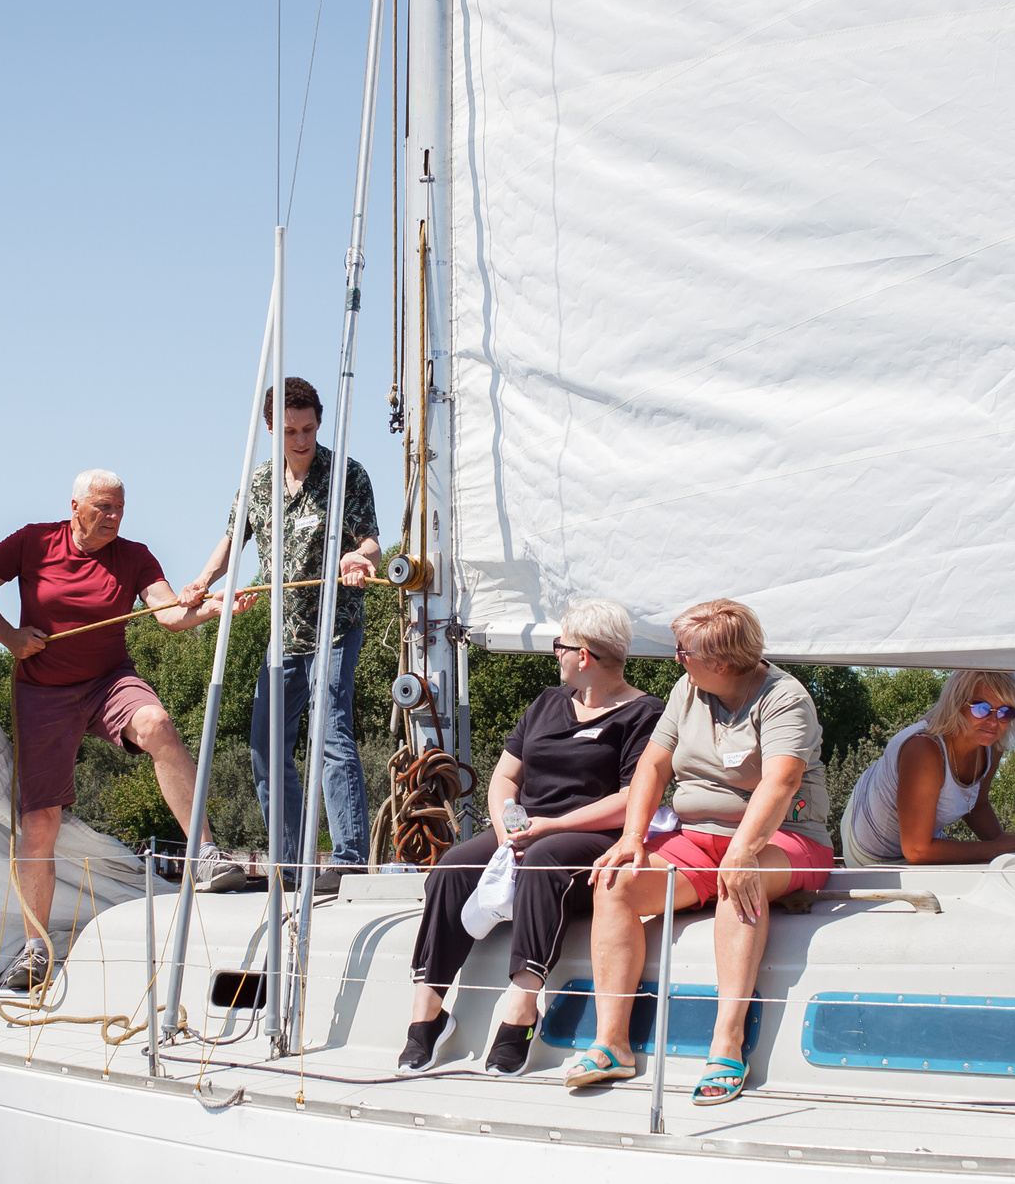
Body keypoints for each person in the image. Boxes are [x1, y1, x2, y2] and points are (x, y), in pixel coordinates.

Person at [0, 468, 248, 988]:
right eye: (103, 508)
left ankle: (204, 855)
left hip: (110, 682)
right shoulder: (31, 542)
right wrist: (9, 637)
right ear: (75, 507)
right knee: (40, 821)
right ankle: (35, 950)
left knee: (158, 724)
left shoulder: (134, 557)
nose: (113, 517)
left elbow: (168, 615)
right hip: (43, 692)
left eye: (119, 508)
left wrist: (215, 607)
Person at [576, 598, 834, 1105]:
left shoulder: (786, 698)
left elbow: (781, 782)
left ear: (721, 663)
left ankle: (727, 1045)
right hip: (697, 839)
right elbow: (653, 766)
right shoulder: (688, 688)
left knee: (741, 879)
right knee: (614, 885)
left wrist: (743, 850)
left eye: (683, 651)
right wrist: (631, 838)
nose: (676, 658)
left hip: (784, 839)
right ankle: (612, 1045)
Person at [398, 599, 664, 1076]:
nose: (555, 654)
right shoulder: (546, 703)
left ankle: (521, 1012)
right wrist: (506, 831)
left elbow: (631, 799)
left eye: (560, 645)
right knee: (453, 868)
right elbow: (504, 778)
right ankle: (428, 1014)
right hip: (522, 831)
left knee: (544, 859)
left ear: (584, 655)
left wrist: (551, 827)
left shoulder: (644, 714)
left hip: (590, 837)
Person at [184, 377, 382, 884]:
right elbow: (232, 540)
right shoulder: (259, 483)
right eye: (291, 431)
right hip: (284, 635)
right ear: (272, 429)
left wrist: (359, 558)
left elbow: (371, 543)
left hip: (335, 627)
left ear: (319, 424)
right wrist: (202, 581)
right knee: (266, 747)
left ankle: (349, 861)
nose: (301, 440)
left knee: (330, 733)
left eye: (309, 429)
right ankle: (292, 865)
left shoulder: (347, 474)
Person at [840, 670, 1015, 866]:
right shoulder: (924, 750)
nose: (994, 721)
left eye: (1006, 712)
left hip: (920, 847)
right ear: (956, 704)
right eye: (981, 708)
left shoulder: (991, 746)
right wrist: (996, 849)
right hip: (871, 851)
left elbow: (976, 805)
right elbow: (917, 851)